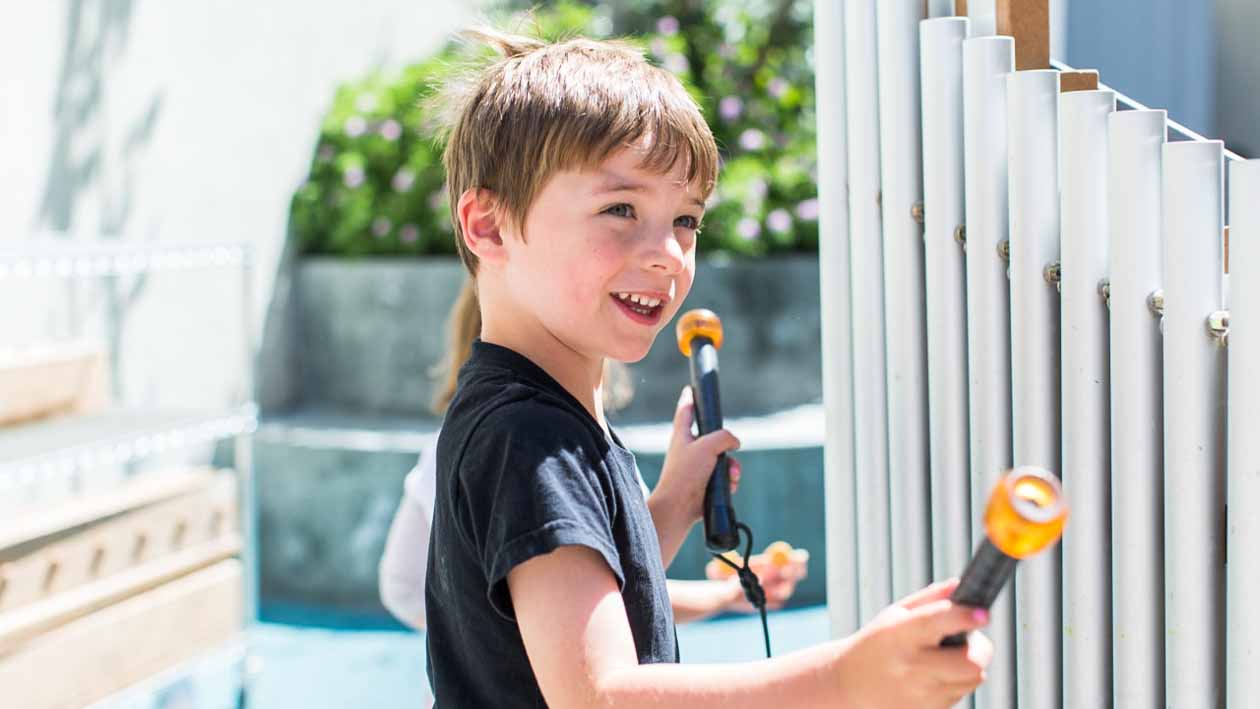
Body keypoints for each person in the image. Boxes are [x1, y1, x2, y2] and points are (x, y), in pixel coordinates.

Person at [422, 27, 993, 708]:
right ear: (487, 225)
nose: (668, 252)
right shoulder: (529, 437)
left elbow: (584, 599)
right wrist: (844, 678)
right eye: (620, 208)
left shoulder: (534, 409)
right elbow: (598, 695)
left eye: (686, 219)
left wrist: (669, 505)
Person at [379, 279, 808, 633]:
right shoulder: (529, 443)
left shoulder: (562, 437)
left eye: (686, 221)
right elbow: (583, 610)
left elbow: (614, 579)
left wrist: (678, 504)